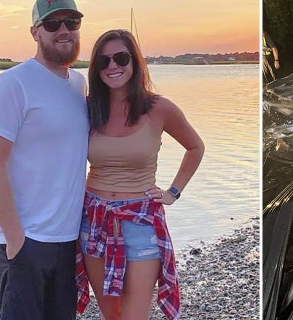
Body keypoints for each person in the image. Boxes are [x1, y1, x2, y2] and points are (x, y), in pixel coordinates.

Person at [75, 29, 205, 320]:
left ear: (134, 62)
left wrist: (173, 192)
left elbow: (195, 147)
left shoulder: (159, 108)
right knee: (111, 314)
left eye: (121, 57)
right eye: (104, 61)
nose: (113, 66)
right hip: (94, 220)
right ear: (96, 68)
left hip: (140, 221)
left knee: (134, 315)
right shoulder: (87, 108)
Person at [0, 0, 88, 319]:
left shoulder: (78, 85)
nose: (64, 30)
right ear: (35, 32)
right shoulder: (13, 84)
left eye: (72, 21)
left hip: (66, 241)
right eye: (52, 24)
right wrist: (16, 239)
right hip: (23, 241)